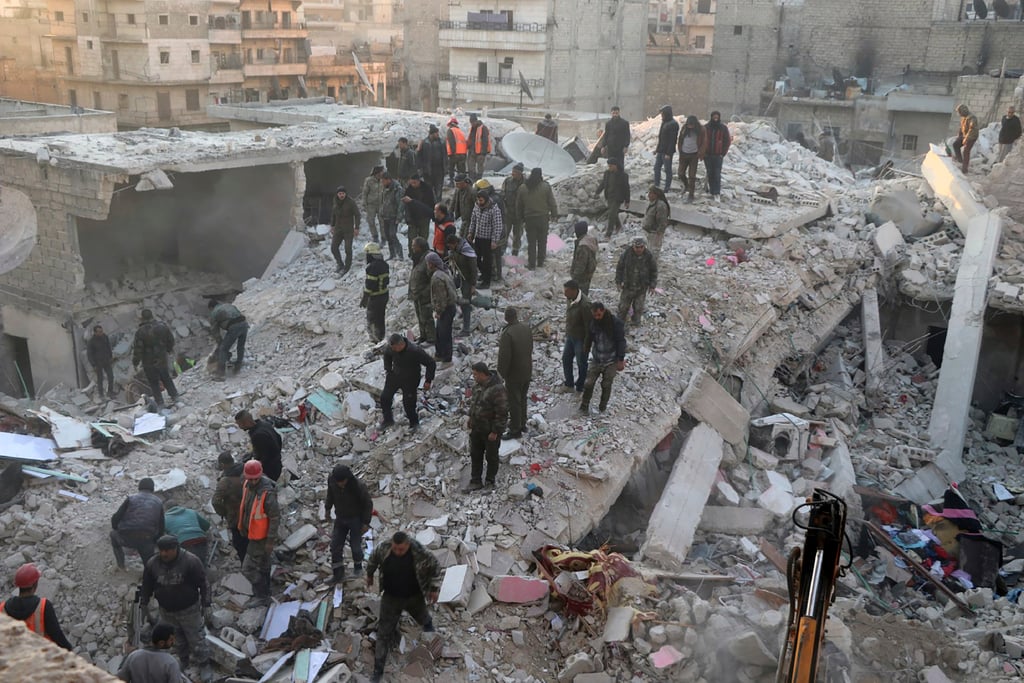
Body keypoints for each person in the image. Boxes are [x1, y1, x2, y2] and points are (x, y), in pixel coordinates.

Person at [366, 531, 441, 683]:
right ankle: (378, 670)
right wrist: (369, 575)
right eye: (395, 548)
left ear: (407, 545)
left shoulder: (419, 551)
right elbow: (373, 559)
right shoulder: (384, 548)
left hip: (413, 596)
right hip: (391, 598)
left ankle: (428, 625)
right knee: (383, 634)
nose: (397, 552)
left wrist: (434, 589)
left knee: (421, 615)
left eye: (401, 549)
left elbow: (435, 566)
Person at [141, 535, 212, 681]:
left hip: (189, 610)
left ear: (175, 548)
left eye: (167, 550)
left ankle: (204, 664)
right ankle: (184, 660)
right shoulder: (153, 564)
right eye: (161, 550)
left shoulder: (190, 561)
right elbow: (146, 585)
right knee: (176, 639)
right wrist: (144, 603)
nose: (164, 554)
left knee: (196, 638)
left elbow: (204, 583)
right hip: (166, 611)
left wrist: (207, 604)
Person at [237, 460, 279, 607]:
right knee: (264, 565)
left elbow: (275, 518)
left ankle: (262, 594)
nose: (253, 481)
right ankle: (266, 590)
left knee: (247, 568)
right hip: (254, 533)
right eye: (251, 479)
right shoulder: (247, 484)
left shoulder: (267, 492)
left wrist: (270, 541)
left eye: (256, 479)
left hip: (261, 538)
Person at [2, 563, 73, 650]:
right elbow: (57, 636)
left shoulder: (2, 608)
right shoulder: (43, 606)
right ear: (35, 584)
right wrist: (69, 649)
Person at [325, 464, 374, 583]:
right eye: (338, 482)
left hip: (355, 519)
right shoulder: (332, 480)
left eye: (342, 482)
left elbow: (368, 504)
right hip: (340, 517)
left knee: (355, 546)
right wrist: (327, 509)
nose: (340, 484)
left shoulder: (358, 486)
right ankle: (338, 574)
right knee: (335, 546)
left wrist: (365, 523)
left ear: (347, 478)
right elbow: (330, 495)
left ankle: (358, 568)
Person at [464, 362, 508, 491]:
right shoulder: (477, 386)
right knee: (475, 454)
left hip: (490, 431)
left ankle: (490, 481)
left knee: (491, 457)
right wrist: (471, 418)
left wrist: (495, 431)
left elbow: (502, 412)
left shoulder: (498, 390)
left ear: (483, 374)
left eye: (475, 374)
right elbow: (474, 403)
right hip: (477, 428)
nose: (474, 377)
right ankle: (475, 480)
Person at [380, 333, 436, 432]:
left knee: (408, 403)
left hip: (411, 378)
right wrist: (388, 369)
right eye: (392, 348)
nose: (393, 349)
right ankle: (388, 420)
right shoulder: (391, 348)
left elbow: (431, 363)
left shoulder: (415, 350)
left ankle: (414, 423)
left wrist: (428, 380)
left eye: (394, 348)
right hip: (395, 375)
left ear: (401, 345)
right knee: (385, 397)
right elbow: (387, 355)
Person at [580, 302, 627, 414]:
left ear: (603, 311)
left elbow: (621, 342)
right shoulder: (593, 323)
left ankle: (602, 406)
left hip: (611, 360)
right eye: (594, 315)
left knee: (606, 384)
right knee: (588, 383)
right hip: (597, 358)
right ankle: (584, 406)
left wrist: (620, 359)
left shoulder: (615, 323)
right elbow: (589, 337)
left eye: (599, 315)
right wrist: (585, 349)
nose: (597, 317)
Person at [111, 477, 164, 570]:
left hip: (127, 537)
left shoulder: (131, 498)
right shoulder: (159, 502)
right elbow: (161, 527)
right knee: (149, 565)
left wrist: (116, 528)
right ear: (153, 489)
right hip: (146, 539)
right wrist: (154, 541)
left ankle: (121, 566)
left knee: (113, 534)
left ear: (139, 487)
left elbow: (116, 518)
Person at [497, 307, 533, 439]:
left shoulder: (508, 333)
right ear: (516, 316)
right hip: (527, 369)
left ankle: (515, 430)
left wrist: (501, 374)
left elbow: (504, 357)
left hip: (514, 373)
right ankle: (522, 424)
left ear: (506, 317)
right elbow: (530, 347)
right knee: (523, 398)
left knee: (514, 402)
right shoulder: (526, 328)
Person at [132, 309, 178, 408]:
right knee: (166, 377)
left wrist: (135, 362)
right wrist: (168, 349)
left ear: (142, 318)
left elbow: (138, 349)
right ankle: (174, 396)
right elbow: (171, 340)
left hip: (148, 360)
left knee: (153, 382)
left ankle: (160, 402)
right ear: (152, 316)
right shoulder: (162, 326)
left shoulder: (140, 332)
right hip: (161, 357)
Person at [517, 167, 559, 270]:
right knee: (542, 241)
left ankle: (531, 264)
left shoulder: (523, 188)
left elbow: (519, 205)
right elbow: (552, 202)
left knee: (531, 243)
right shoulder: (545, 186)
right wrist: (554, 214)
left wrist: (520, 218)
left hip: (529, 219)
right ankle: (540, 262)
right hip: (543, 218)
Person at [212, 451, 248, 564]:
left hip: (236, 517)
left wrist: (224, 512)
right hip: (252, 514)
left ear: (222, 464)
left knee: (240, 544)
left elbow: (216, 501)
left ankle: (246, 565)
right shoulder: (247, 471)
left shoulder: (225, 481)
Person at [467, 180, 503, 289]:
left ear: (486, 199)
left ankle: (486, 282)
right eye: (478, 200)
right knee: (476, 259)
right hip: (478, 237)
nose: (479, 202)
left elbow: (497, 225)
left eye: (481, 200)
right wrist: (470, 232)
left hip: (488, 239)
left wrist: (494, 241)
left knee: (487, 261)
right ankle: (483, 274)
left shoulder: (494, 209)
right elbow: (473, 220)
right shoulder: (477, 206)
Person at [616, 237, 658, 328]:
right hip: (628, 287)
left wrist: (652, 285)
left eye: (641, 247)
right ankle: (619, 323)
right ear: (633, 246)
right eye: (637, 247)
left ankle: (635, 323)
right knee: (623, 307)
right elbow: (620, 268)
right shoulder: (626, 254)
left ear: (644, 246)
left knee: (638, 307)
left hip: (641, 288)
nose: (639, 249)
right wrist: (618, 282)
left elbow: (654, 271)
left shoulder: (648, 256)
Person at [560, 280, 590, 394]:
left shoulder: (585, 305)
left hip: (581, 339)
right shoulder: (570, 298)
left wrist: (587, 344)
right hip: (571, 336)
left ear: (574, 290)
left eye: (566, 291)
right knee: (566, 359)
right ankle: (569, 384)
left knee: (581, 363)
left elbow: (589, 326)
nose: (564, 293)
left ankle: (580, 386)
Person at [235, 410, 283, 482]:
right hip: (277, 463)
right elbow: (279, 438)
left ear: (246, 423)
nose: (239, 427)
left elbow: (263, 457)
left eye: (240, 425)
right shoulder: (264, 424)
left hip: (270, 470)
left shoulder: (257, 435)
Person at [427, 252, 458, 364]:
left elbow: (441, 298)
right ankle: (439, 354)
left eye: (428, 263)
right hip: (449, 307)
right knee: (440, 333)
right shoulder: (444, 272)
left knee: (444, 335)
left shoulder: (437, 278)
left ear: (432, 264)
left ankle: (446, 358)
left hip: (446, 309)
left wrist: (439, 311)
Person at [445, 233, 478, 336]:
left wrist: (473, 285)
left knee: (465, 302)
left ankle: (466, 329)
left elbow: (473, 269)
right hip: (460, 276)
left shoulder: (467, 251)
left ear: (455, 243)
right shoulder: (455, 250)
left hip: (467, 280)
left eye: (450, 246)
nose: (450, 248)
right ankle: (464, 313)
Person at [208, 298, 248, 380]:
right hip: (244, 324)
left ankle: (220, 374)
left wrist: (220, 342)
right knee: (240, 346)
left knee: (223, 349)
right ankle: (238, 364)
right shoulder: (228, 305)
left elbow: (214, 330)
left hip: (234, 327)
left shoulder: (214, 312)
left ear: (211, 307)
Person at [163, 500, 212, 567]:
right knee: (201, 563)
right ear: (178, 505)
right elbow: (206, 526)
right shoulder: (191, 511)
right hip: (200, 540)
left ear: (166, 509)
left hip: (183, 543)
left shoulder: (164, 519)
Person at [360, 242, 390, 344]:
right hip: (384, 295)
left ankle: (375, 340)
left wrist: (365, 298)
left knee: (372, 318)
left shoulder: (372, 267)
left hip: (375, 297)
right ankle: (381, 337)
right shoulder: (384, 264)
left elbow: (370, 284)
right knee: (380, 317)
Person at [408, 238, 436, 344]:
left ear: (420, 247)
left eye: (414, 246)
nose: (412, 248)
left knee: (427, 317)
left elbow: (433, 279)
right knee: (420, 317)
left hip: (425, 295)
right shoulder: (418, 258)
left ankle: (431, 338)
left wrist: (425, 292)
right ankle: (423, 336)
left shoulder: (428, 259)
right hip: (417, 295)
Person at [596, 158, 630, 238]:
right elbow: (603, 183)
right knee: (613, 213)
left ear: (616, 166)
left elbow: (626, 188)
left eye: (611, 166)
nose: (609, 168)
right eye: (609, 166)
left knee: (611, 214)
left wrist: (627, 201)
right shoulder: (607, 173)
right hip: (609, 196)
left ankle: (608, 233)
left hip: (618, 198)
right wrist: (597, 192)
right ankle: (618, 225)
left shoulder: (623, 175)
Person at [330, 185, 361, 274]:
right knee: (333, 247)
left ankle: (347, 267)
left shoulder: (350, 202)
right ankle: (340, 264)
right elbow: (333, 214)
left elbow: (357, 215)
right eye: (340, 194)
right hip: (338, 229)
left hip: (348, 229)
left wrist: (357, 227)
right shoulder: (335, 201)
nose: (341, 195)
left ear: (345, 194)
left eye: (343, 193)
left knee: (348, 249)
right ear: (337, 194)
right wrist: (332, 225)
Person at [403, 174, 435, 255]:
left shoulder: (427, 189)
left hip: (424, 217)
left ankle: (423, 255)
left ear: (419, 181)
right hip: (412, 218)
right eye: (411, 183)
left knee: (423, 238)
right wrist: (407, 217)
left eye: (414, 183)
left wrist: (431, 215)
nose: (413, 184)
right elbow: (406, 206)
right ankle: (412, 255)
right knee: (412, 238)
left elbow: (429, 205)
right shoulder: (408, 190)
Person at [677, 115, 706, 202]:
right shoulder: (684, 128)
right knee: (680, 173)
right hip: (684, 154)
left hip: (694, 155)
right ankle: (686, 186)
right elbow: (680, 139)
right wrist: (680, 149)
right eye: (689, 125)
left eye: (691, 125)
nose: (690, 126)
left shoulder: (701, 130)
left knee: (692, 176)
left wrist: (700, 153)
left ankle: (691, 195)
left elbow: (704, 142)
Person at [704, 110, 731, 201]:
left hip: (718, 156)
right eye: (714, 116)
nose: (715, 118)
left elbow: (727, 141)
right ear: (711, 117)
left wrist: (722, 153)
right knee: (710, 173)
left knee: (717, 173)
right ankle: (712, 191)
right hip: (708, 155)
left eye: (717, 117)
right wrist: (703, 153)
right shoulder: (706, 127)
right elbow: (701, 140)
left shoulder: (723, 128)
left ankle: (717, 192)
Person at [502, 163, 527, 256]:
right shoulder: (507, 181)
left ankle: (515, 252)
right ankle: (502, 252)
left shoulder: (526, 183)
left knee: (518, 234)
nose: (512, 174)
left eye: (515, 172)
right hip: (508, 213)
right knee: (504, 233)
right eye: (512, 171)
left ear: (520, 173)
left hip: (520, 215)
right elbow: (502, 195)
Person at [378, 172, 404, 260]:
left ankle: (400, 254)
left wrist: (399, 217)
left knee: (392, 234)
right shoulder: (385, 188)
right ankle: (392, 254)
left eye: (383, 181)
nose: (382, 183)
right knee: (387, 236)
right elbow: (383, 201)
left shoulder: (397, 189)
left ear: (388, 180)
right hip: (385, 215)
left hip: (393, 216)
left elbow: (401, 204)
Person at [654, 105, 679, 193]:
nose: (661, 115)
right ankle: (656, 185)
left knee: (667, 169)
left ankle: (667, 188)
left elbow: (672, 140)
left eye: (662, 113)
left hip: (667, 152)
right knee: (656, 168)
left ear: (667, 113)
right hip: (661, 150)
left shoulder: (673, 124)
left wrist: (668, 153)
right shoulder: (664, 122)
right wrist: (657, 149)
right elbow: (661, 137)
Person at [570, 221, 598, 295]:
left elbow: (581, 265)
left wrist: (574, 278)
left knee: (579, 296)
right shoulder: (590, 240)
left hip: (582, 277)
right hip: (588, 273)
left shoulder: (583, 246)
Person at [87, 324, 114, 399]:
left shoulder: (105, 337)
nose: (101, 333)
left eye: (101, 331)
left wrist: (111, 356)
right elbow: (89, 354)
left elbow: (108, 347)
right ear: (95, 332)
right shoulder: (91, 341)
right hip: (98, 362)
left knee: (111, 376)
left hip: (106, 360)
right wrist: (93, 365)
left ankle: (110, 392)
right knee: (100, 379)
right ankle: (101, 394)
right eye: (99, 332)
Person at [642, 186, 670, 258]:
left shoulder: (660, 205)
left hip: (655, 233)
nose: (648, 195)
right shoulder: (653, 203)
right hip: (650, 232)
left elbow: (662, 222)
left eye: (650, 193)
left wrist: (659, 234)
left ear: (656, 195)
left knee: (654, 252)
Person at [416, 125, 447, 190]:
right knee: (428, 188)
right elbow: (419, 156)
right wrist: (420, 168)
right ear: (431, 134)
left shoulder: (441, 142)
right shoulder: (424, 143)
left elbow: (445, 156)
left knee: (438, 187)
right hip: (428, 170)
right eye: (436, 133)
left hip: (439, 170)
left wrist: (445, 168)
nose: (438, 134)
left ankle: (438, 197)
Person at [952, 104, 979, 175]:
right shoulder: (963, 118)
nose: (959, 114)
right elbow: (961, 128)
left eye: (960, 112)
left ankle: (964, 169)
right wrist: (959, 136)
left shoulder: (972, 118)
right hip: (965, 135)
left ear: (963, 111)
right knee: (955, 144)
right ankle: (960, 161)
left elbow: (972, 129)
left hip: (972, 136)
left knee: (966, 151)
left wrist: (966, 139)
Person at [361, 165, 385, 242]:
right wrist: (364, 203)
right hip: (371, 204)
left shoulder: (384, 179)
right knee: (371, 221)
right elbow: (365, 193)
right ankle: (375, 236)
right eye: (381, 172)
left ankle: (384, 237)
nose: (382, 173)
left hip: (381, 203)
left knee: (382, 222)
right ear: (377, 172)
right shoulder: (369, 180)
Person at [467, 113, 491, 180]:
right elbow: (471, 139)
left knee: (480, 167)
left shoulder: (483, 128)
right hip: (472, 151)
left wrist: (483, 152)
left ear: (476, 121)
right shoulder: (472, 129)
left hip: (480, 152)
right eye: (471, 122)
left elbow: (485, 141)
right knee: (471, 166)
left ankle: (478, 180)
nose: (472, 124)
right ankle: (472, 179)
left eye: (472, 122)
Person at [445, 117, 468, 184]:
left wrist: (452, 152)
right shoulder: (460, 131)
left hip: (454, 154)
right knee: (461, 170)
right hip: (463, 154)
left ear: (450, 124)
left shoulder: (451, 130)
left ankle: (451, 182)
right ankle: (463, 183)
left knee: (451, 168)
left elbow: (451, 142)